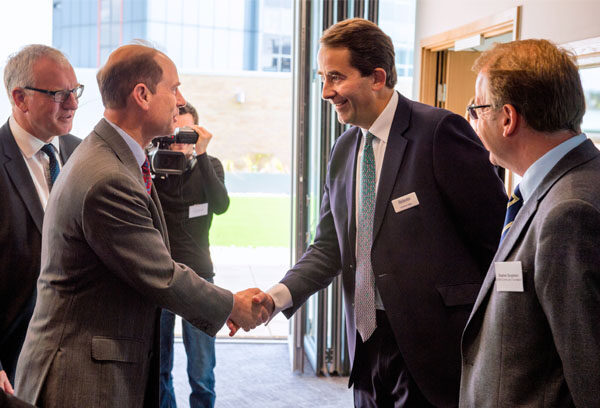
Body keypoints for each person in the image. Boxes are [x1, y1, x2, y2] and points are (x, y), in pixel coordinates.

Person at [240, 18, 507, 407]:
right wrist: (276, 297)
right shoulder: (345, 149)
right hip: (366, 343)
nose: (326, 92)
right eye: (321, 78)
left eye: (336, 77)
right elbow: (328, 249)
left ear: (377, 77)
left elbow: (496, 240)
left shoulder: (438, 133)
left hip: (435, 350)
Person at [13, 44, 269, 408]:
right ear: (143, 95)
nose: (181, 102)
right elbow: (160, 274)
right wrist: (233, 305)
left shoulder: (112, 158)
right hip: (79, 380)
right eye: (174, 88)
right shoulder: (107, 176)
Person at [460, 39, 600, 407]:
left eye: (477, 108)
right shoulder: (562, 185)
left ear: (507, 118)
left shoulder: (568, 211)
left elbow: (591, 376)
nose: (472, 120)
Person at [0, 44, 81, 394]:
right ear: (20, 98)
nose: (74, 104)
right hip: (13, 364)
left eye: (75, 92)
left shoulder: (85, 154)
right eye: (60, 94)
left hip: (78, 364)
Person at [154, 102, 229, 408]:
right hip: (161, 275)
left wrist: (201, 155)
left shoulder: (210, 165)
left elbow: (221, 205)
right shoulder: (155, 167)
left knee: (201, 370)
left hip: (200, 274)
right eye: (175, 134)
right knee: (159, 366)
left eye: (187, 134)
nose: (180, 142)